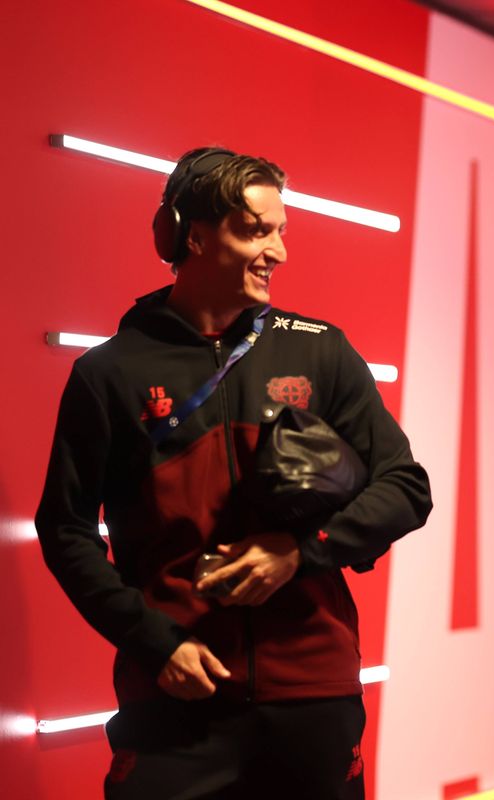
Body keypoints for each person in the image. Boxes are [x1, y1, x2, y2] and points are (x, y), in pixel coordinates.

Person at [35, 146, 432, 799]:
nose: (278, 251)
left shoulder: (320, 350)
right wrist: (152, 642)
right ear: (190, 235)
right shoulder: (108, 374)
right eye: (257, 230)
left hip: (314, 693)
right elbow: (65, 529)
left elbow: (405, 487)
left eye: (281, 231)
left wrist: (298, 552)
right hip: (171, 696)